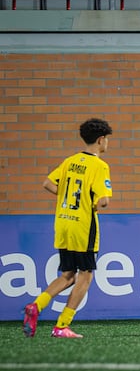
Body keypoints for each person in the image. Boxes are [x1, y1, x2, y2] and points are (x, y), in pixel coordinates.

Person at [23, 118, 114, 339]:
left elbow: (47, 183)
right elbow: (103, 201)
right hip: (83, 226)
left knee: (68, 274)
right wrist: (90, 203)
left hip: (63, 222)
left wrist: (68, 197)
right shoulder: (100, 166)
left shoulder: (70, 161)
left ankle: (36, 306)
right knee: (86, 276)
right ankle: (62, 325)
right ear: (101, 140)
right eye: (107, 140)